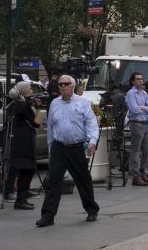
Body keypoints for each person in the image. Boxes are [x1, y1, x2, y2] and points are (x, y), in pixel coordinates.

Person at [36, 75, 100, 227]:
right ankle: (48, 215)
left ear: (72, 86)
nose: (63, 87)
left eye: (66, 84)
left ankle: (91, 209)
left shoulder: (83, 103)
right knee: (53, 181)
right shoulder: (54, 104)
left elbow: (91, 123)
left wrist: (92, 142)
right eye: (60, 84)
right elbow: (51, 127)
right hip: (59, 147)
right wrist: (51, 148)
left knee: (83, 180)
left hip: (76, 147)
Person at [3, 81, 41, 210]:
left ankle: (22, 198)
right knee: (27, 170)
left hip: (21, 141)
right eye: (29, 89)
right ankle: (20, 199)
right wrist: (39, 109)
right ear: (24, 91)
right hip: (24, 142)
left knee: (25, 170)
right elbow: (36, 122)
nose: (31, 91)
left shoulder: (20, 104)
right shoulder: (22, 105)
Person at [125, 72, 148, 186]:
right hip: (136, 123)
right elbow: (134, 110)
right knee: (136, 150)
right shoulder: (130, 93)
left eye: (141, 79)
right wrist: (144, 108)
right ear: (133, 81)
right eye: (138, 79)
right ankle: (135, 176)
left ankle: (143, 174)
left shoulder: (144, 93)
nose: (140, 81)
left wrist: (142, 107)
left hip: (145, 123)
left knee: (147, 150)